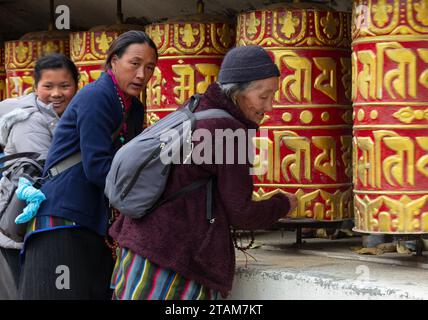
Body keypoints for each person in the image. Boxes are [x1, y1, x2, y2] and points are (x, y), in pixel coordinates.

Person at [109, 45, 298, 300]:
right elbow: (241, 212)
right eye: (263, 96)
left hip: (142, 248)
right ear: (236, 93)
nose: (270, 106)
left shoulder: (196, 108)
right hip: (171, 262)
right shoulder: (228, 132)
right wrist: (283, 204)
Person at [18, 30, 158, 300]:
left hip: (92, 222)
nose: (142, 74)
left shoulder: (133, 107)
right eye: (135, 63)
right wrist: (143, 200)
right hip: (63, 220)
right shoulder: (97, 97)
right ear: (114, 61)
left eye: (150, 67)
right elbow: (97, 166)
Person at [0, 53, 79, 299]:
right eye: (48, 86)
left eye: (64, 86)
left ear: (77, 85)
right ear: (35, 87)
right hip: (15, 227)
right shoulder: (30, 120)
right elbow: (43, 170)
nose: (56, 93)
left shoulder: (57, 118)